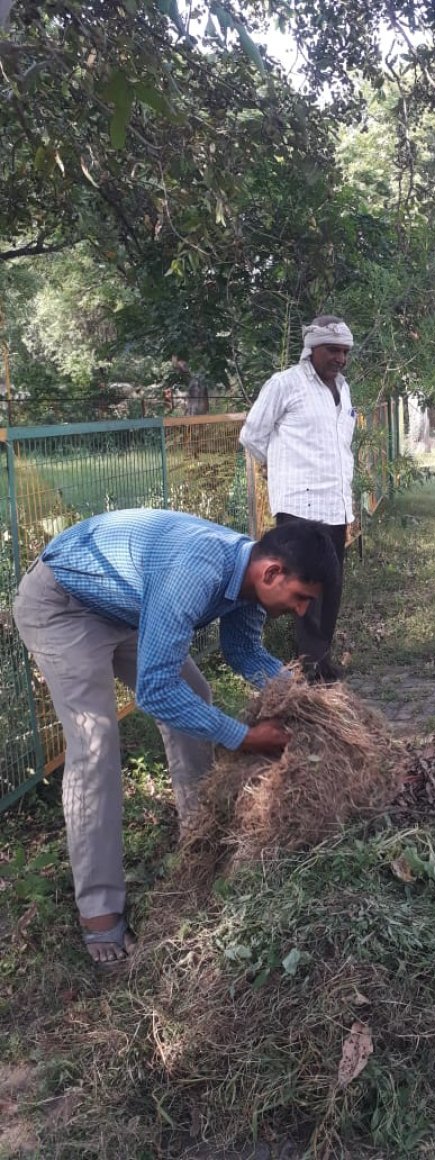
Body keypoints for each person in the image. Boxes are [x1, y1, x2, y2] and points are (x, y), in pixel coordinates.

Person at [13, 509, 338, 966]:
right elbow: (156, 691)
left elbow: (243, 651)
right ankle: (100, 913)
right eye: (301, 597)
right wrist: (242, 736)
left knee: (197, 695)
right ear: (272, 572)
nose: (302, 610)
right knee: (95, 742)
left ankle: (200, 836)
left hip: (126, 604)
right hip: (65, 605)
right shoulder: (195, 570)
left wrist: (305, 699)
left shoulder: (247, 579)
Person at [240, 315, 356, 683]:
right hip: (299, 506)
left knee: (331, 584)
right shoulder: (285, 384)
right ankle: (309, 666)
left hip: (335, 505)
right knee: (304, 585)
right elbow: (252, 435)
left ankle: (321, 658)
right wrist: (280, 470)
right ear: (312, 350)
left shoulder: (343, 388)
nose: (338, 358)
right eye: (332, 350)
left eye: (344, 352)